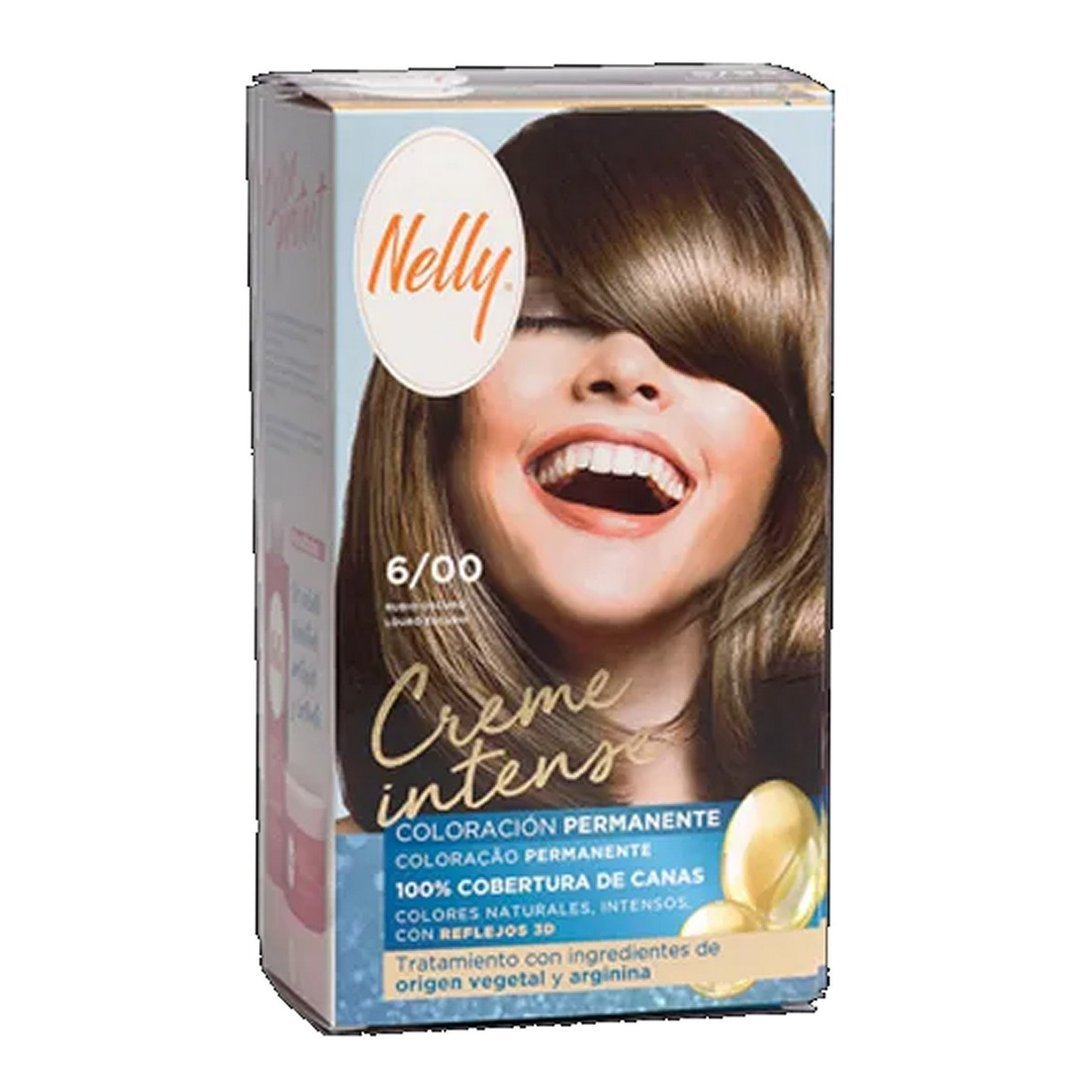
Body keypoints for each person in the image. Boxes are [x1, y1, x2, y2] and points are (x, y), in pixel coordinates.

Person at [337, 109, 829, 831]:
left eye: (703, 337)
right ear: (437, 412)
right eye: (544, 316)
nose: (626, 368)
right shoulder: (359, 883)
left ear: (793, 456)